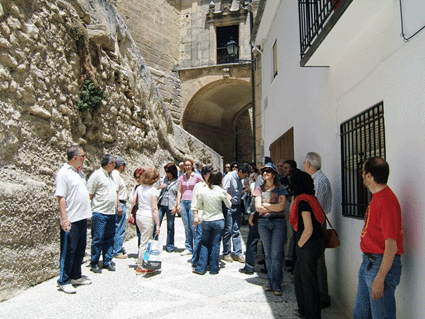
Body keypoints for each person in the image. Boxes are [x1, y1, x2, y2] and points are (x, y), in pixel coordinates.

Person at [353, 157, 403, 319]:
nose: (361, 175)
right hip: (369, 263)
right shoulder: (378, 197)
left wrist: (380, 278)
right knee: (360, 315)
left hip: (380, 266)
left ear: (369, 176)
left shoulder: (386, 202)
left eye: (363, 172)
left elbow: (391, 246)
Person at [55, 145, 92, 294]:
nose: (84, 158)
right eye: (82, 156)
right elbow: (61, 197)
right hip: (71, 218)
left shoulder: (79, 172)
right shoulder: (63, 173)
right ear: (75, 157)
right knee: (68, 250)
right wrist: (65, 219)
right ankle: (64, 280)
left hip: (82, 217)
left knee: (79, 249)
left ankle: (76, 275)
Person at [288, 168, 325, 319]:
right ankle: (304, 310)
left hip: (308, 245)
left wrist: (299, 244)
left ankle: (312, 315)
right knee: (299, 277)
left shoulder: (303, 202)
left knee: (308, 283)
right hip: (316, 243)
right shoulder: (311, 198)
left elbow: (308, 228)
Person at [254, 162, 287, 296]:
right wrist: (272, 206)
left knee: (276, 254)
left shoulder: (281, 188)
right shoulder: (259, 189)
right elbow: (257, 207)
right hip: (263, 223)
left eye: (268, 171)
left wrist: (265, 205)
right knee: (268, 254)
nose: (265, 173)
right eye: (264, 171)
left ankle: (276, 283)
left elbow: (281, 207)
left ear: (273, 174)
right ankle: (270, 280)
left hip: (278, 222)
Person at [304, 152, 332, 308]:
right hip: (314, 223)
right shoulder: (316, 179)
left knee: (319, 260)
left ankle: (322, 296)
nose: (304, 166)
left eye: (304, 163)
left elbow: (317, 207)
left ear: (309, 164)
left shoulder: (319, 181)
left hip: (317, 224)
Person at [192, 170, 231, 275]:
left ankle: (201, 267)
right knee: (215, 243)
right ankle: (214, 268)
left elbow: (199, 205)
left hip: (206, 219)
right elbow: (228, 205)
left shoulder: (203, 191)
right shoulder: (221, 191)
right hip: (218, 219)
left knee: (204, 243)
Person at [87, 154, 121, 273]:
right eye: (114, 163)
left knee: (109, 238)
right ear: (109, 164)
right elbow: (89, 194)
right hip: (99, 212)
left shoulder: (111, 176)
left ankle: (107, 261)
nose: (115, 165)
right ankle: (94, 262)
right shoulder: (96, 175)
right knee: (98, 239)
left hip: (111, 213)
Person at [239, 156, 271, 275]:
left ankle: (249, 266)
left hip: (259, 213)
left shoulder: (261, 178)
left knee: (252, 239)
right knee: (267, 243)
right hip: (270, 214)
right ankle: (269, 268)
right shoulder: (274, 180)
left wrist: (252, 212)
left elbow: (256, 197)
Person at [131, 167, 161, 274]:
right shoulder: (154, 191)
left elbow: (133, 201)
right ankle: (140, 265)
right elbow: (154, 209)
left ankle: (146, 263)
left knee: (145, 240)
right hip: (148, 216)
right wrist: (158, 224)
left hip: (139, 215)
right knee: (145, 242)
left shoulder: (139, 188)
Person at [221, 162, 250, 263]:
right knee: (228, 230)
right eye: (245, 175)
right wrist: (227, 196)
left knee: (236, 230)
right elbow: (223, 190)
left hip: (237, 206)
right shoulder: (229, 177)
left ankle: (238, 253)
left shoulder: (240, 179)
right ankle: (226, 253)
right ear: (240, 172)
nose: (245, 177)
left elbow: (238, 191)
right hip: (229, 206)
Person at [175, 159, 202, 256]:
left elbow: (203, 186)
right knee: (186, 226)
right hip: (183, 202)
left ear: (192, 166)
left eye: (189, 165)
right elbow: (179, 191)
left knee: (194, 225)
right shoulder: (181, 178)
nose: (187, 167)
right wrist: (177, 204)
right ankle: (188, 247)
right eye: (185, 165)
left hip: (193, 202)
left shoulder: (197, 177)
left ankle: (197, 247)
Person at [191, 165, 214, 268]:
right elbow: (194, 202)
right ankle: (196, 259)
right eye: (210, 173)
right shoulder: (198, 186)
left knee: (210, 239)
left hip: (212, 216)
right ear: (204, 175)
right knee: (200, 238)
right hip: (201, 216)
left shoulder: (215, 185)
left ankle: (207, 259)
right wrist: (195, 216)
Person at [157, 163, 179, 253]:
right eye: (166, 172)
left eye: (168, 172)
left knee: (170, 226)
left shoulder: (177, 182)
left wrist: (176, 207)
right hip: (161, 204)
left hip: (171, 205)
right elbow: (156, 189)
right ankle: (154, 243)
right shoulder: (162, 179)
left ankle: (170, 245)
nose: (167, 174)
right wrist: (159, 187)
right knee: (157, 224)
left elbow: (178, 195)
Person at [111, 157, 128, 259]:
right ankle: (117, 251)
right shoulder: (116, 176)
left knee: (117, 227)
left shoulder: (115, 175)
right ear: (121, 165)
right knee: (119, 228)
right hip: (120, 203)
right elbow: (115, 191)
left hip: (119, 203)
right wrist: (118, 205)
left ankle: (117, 247)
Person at [129, 168, 145, 248]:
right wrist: (131, 213)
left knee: (148, 235)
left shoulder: (148, 187)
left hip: (147, 212)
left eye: (139, 177)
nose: (138, 179)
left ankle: (147, 254)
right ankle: (141, 253)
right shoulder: (136, 187)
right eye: (136, 177)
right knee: (139, 234)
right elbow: (132, 201)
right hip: (138, 212)